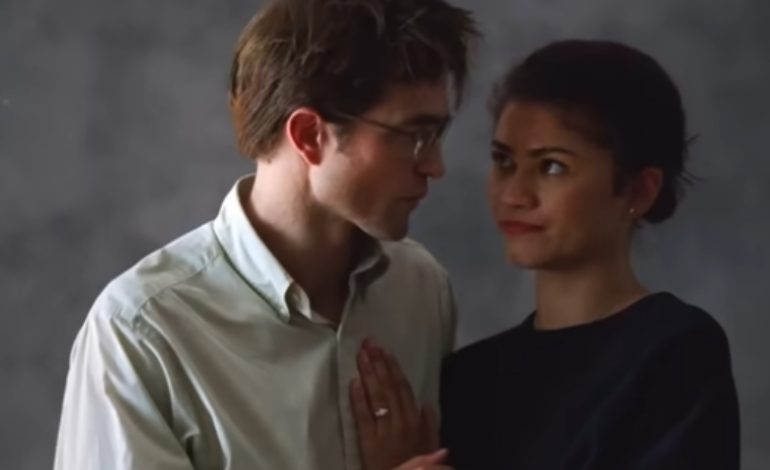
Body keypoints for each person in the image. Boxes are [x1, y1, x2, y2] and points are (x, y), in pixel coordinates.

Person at [53, 1, 478, 469]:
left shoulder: (421, 290)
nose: (435, 166)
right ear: (309, 135)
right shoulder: (143, 333)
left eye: (437, 135)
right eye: (415, 136)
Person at [351, 39, 740, 469]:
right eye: (504, 162)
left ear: (639, 191)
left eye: (552, 166)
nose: (514, 195)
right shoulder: (468, 378)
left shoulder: (675, 352)